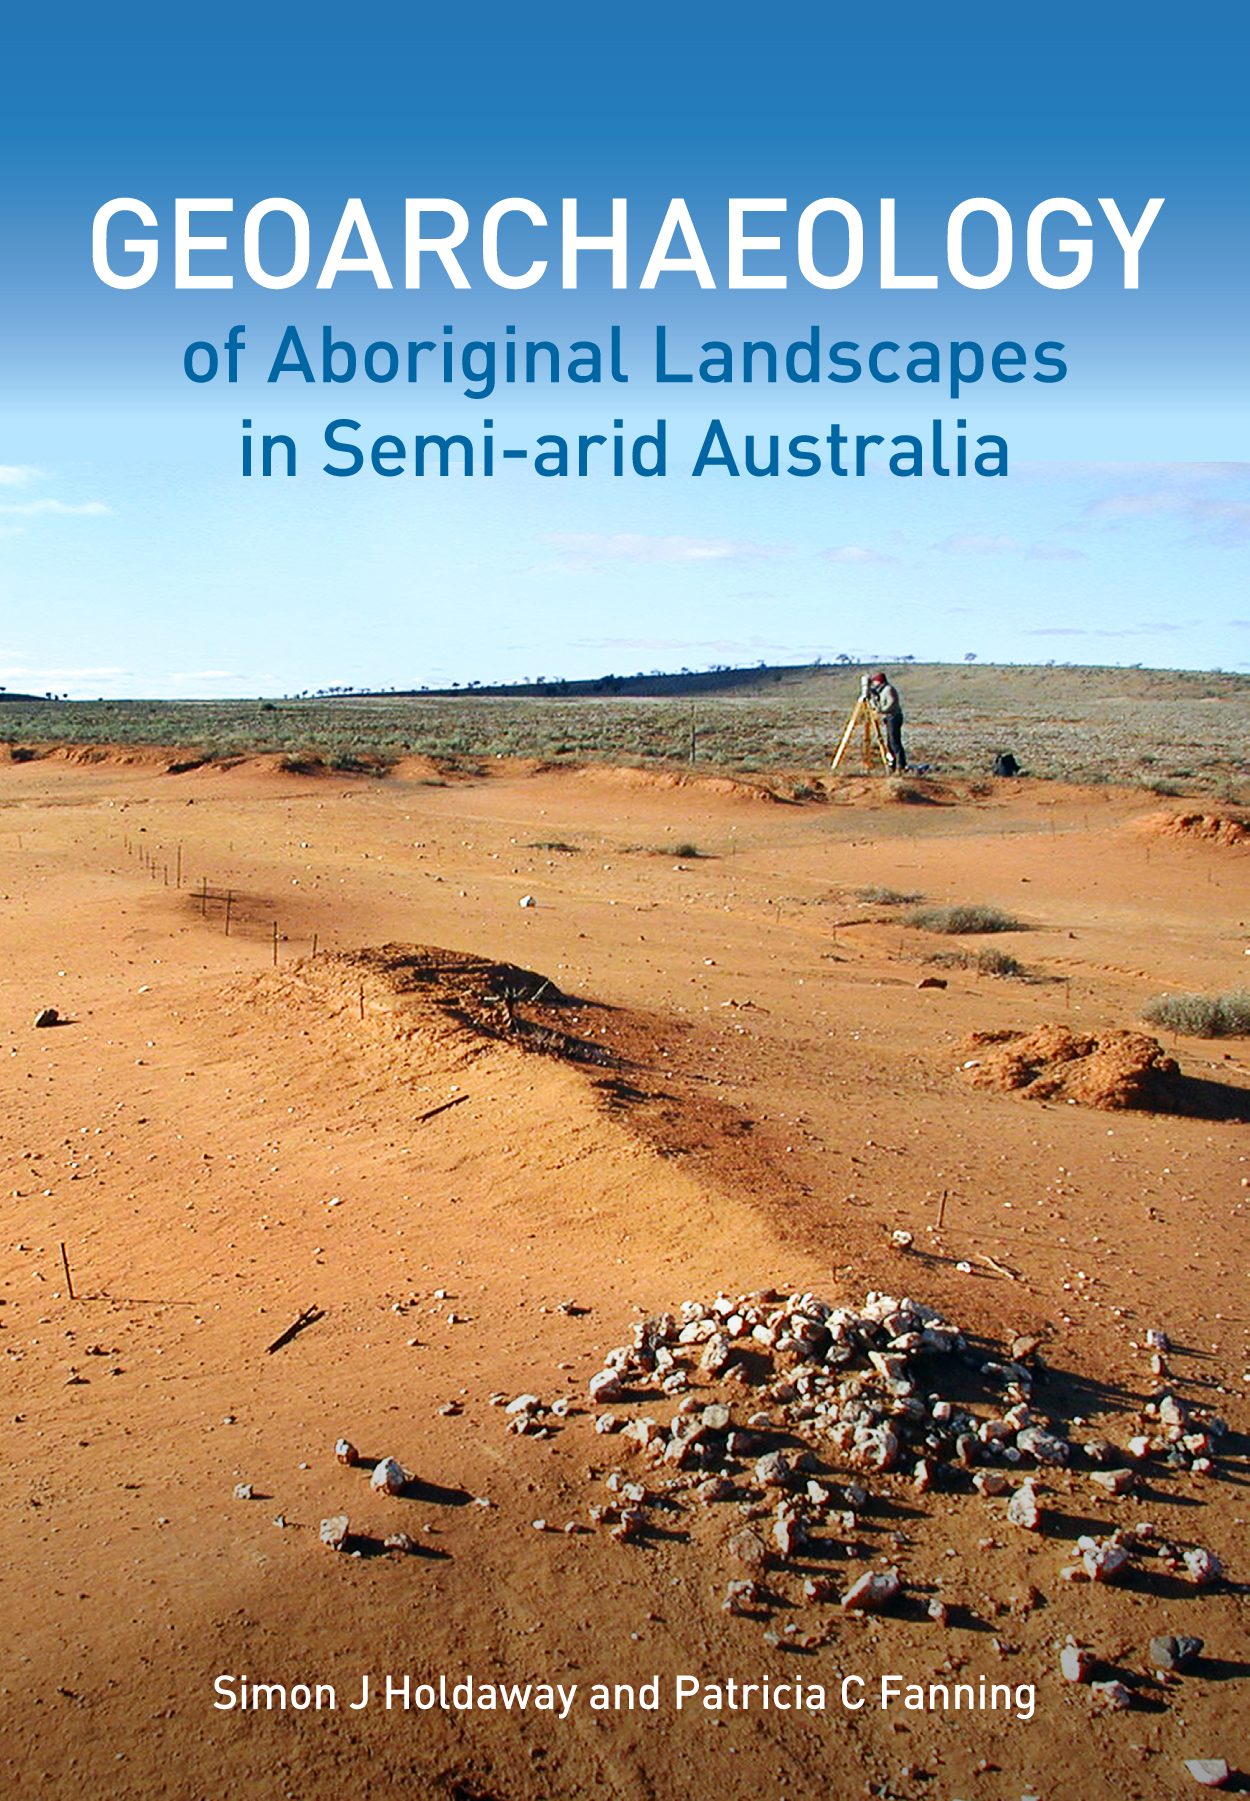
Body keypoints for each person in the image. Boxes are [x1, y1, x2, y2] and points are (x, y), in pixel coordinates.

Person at [867, 671, 906, 771]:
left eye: (875, 681)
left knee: (894, 742)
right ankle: (893, 764)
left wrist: (881, 710)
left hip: (893, 717)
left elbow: (891, 703)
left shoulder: (888, 690)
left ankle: (901, 765)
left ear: (880, 681)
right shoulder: (881, 690)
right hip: (888, 717)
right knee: (889, 743)